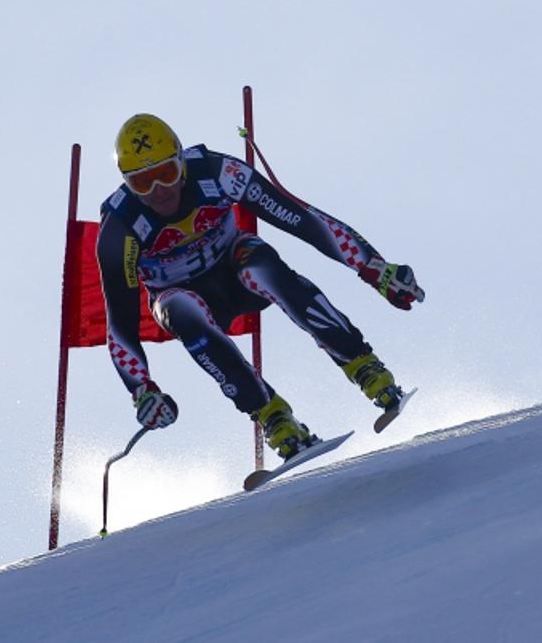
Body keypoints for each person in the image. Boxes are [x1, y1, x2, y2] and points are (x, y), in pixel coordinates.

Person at [96, 113, 425, 460]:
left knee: (261, 268)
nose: (159, 192)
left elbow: (301, 219)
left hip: (234, 268)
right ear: (127, 185)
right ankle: (272, 415)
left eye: (166, 174)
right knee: (180, 307)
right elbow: (119, 322)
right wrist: (143, 391)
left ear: (181, 162)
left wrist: (373, 267)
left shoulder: (218, 172)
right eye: (142, 183)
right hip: (180, 295)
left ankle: (363, 365)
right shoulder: (120, 228)